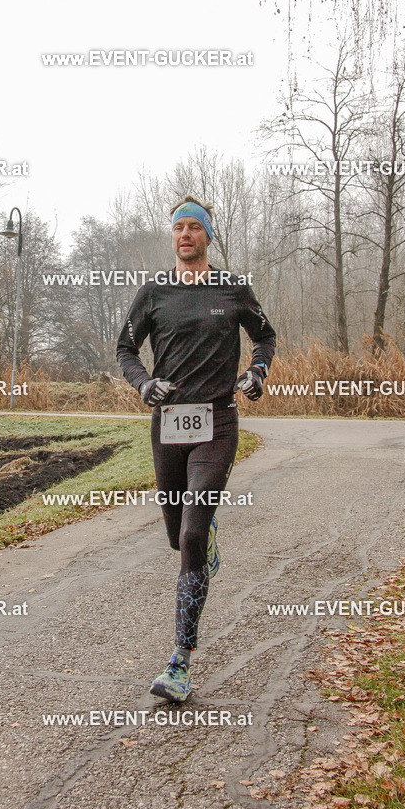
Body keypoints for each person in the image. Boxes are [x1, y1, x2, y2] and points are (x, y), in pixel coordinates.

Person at [116, 196, 276, 702]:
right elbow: (124, 347)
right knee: (177, 537)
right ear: (172, 237)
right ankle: (202, 540)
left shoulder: (232, 288)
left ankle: (179, 664)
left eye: (194, 227)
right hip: (168, 425)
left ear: (208, 235)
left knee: (189, 538)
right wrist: (143, 384)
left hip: (216, 423)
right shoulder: (154, 292)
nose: (185, 235)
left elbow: (266, 337)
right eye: (178, 228)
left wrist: (256, 372)